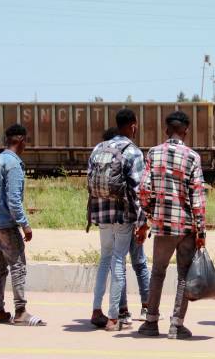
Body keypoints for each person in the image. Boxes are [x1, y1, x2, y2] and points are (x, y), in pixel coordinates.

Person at [137, 111, 206, 340]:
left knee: (157, 273)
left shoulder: (153, 153)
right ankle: (176, 325)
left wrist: (150, 215)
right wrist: (201, 229)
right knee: (183, 275)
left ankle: (150, 323)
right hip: (186, 227)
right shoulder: (192, 157)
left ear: (166, 130)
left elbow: (144, 190)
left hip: (163, 226)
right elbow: (197, 196)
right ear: (186, 131)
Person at [88, 109, 147, 331]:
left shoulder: (98, 148)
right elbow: (139, 190)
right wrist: (142, 221)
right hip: (123, 214)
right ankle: (113, 317)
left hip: (101, 211)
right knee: (119, 260)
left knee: (105, 258)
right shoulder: (133, 152)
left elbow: (89, 180)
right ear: (132, 125)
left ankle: (96, 310)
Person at [0, 124, 46, 326]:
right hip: (7, 224)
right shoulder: (13, 164)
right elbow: (14, 200)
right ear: (21, 140)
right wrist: (25, 225)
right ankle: (20, 311)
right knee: (18, 266)